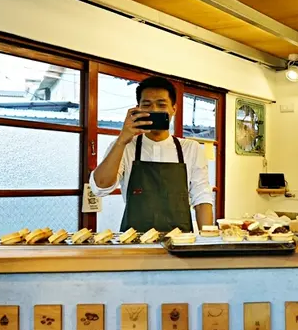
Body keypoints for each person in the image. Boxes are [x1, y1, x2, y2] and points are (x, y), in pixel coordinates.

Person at [90, 76, 214, 233]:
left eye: (161, 105)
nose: (154, 110)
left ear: (174, 109)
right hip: (134, 241)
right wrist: (121, 140)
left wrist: (207, 239)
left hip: (180, 242)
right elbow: (100, 188)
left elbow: (202, 198)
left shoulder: (190, 148)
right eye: (147, 105)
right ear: (137, 109)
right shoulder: (125, 146)